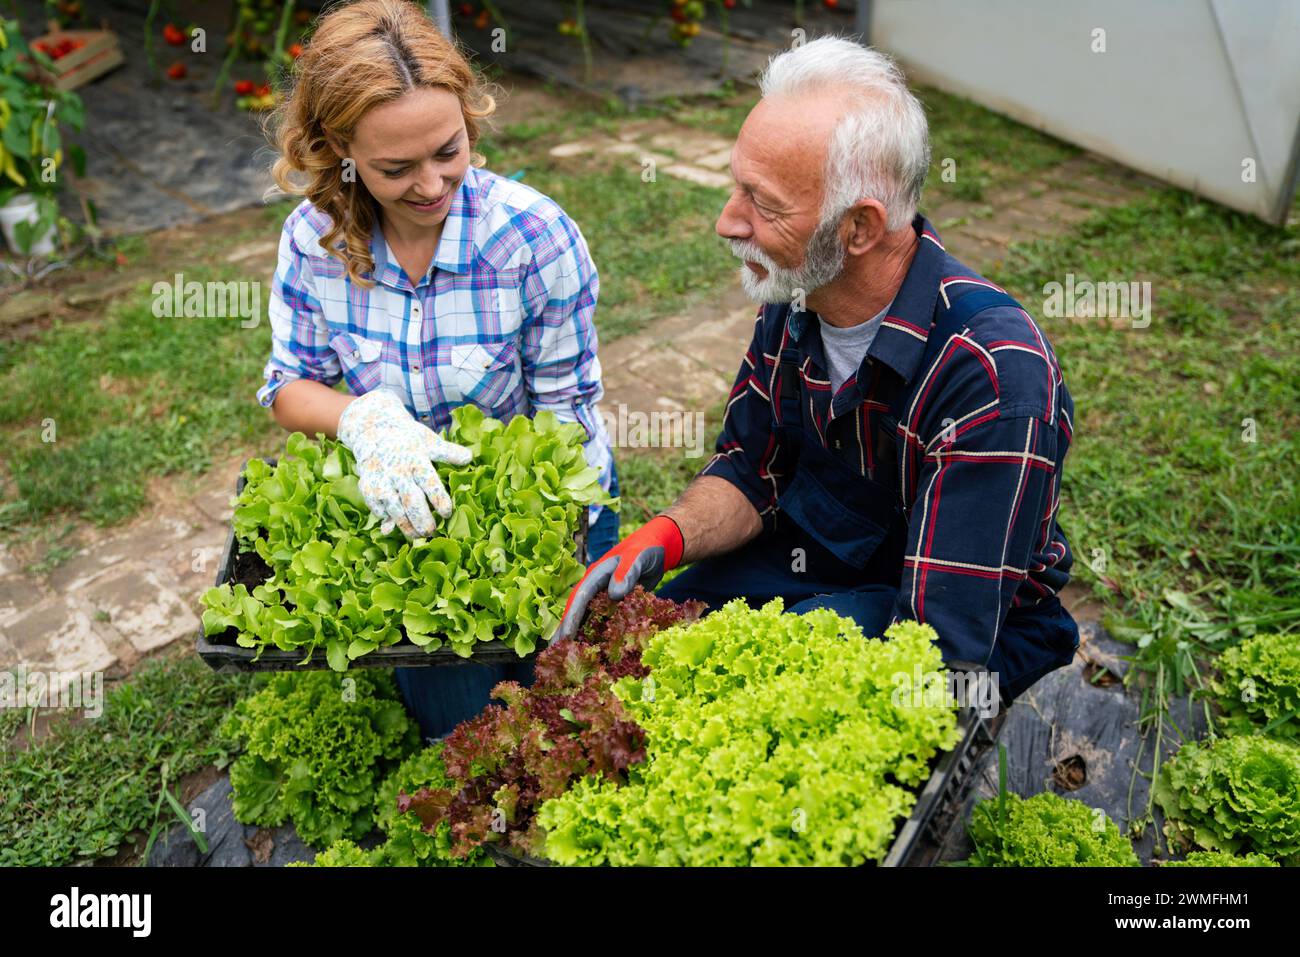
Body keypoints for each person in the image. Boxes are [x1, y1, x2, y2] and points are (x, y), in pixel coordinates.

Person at [558, 36, 1079, 707]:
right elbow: (755, 469)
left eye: (763, 203)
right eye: (735, 185)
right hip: (825, 552)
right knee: (638, 648)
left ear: (858, 227)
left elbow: (939, 655)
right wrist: (667, 535)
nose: (726, 221)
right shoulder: (801, 293)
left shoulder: (993, 379)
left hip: (959, 625)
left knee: (727, 704)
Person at [258, 0, 617, 739]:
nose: (430, 184)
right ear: (339, 148)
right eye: (396, 167)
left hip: (549, 515)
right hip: (407, 516)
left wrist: (538, 554)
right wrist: (363, 418)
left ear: (468, 120)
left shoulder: (532, 237)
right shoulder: (313, 240)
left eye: (448, 151)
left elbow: (566, 414)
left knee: (562, 713)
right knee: (461, 734)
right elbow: (287, 386)